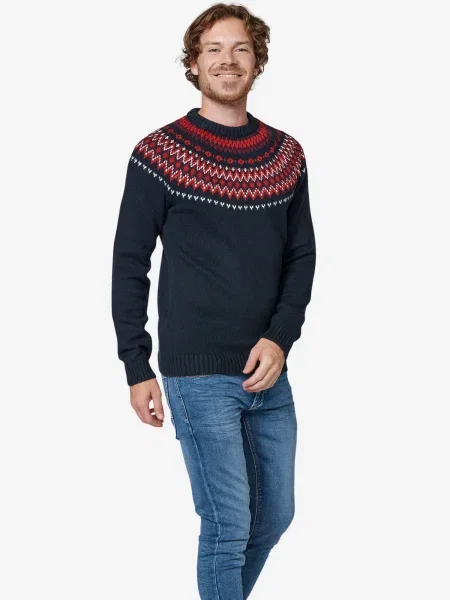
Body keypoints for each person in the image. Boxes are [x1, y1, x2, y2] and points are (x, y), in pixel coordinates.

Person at [111, 3, 316, 598]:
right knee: (228, 527)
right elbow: (129, 263)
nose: (228, 61)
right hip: (197, 375)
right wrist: (136, 365)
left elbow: (301, 257)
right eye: (214, 50)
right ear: (194, 64)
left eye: (241, 49)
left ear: (258, 61)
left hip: (269, 373)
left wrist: (280, 338)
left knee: (274, 517)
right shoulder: (159, 154)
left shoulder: (287, 155)